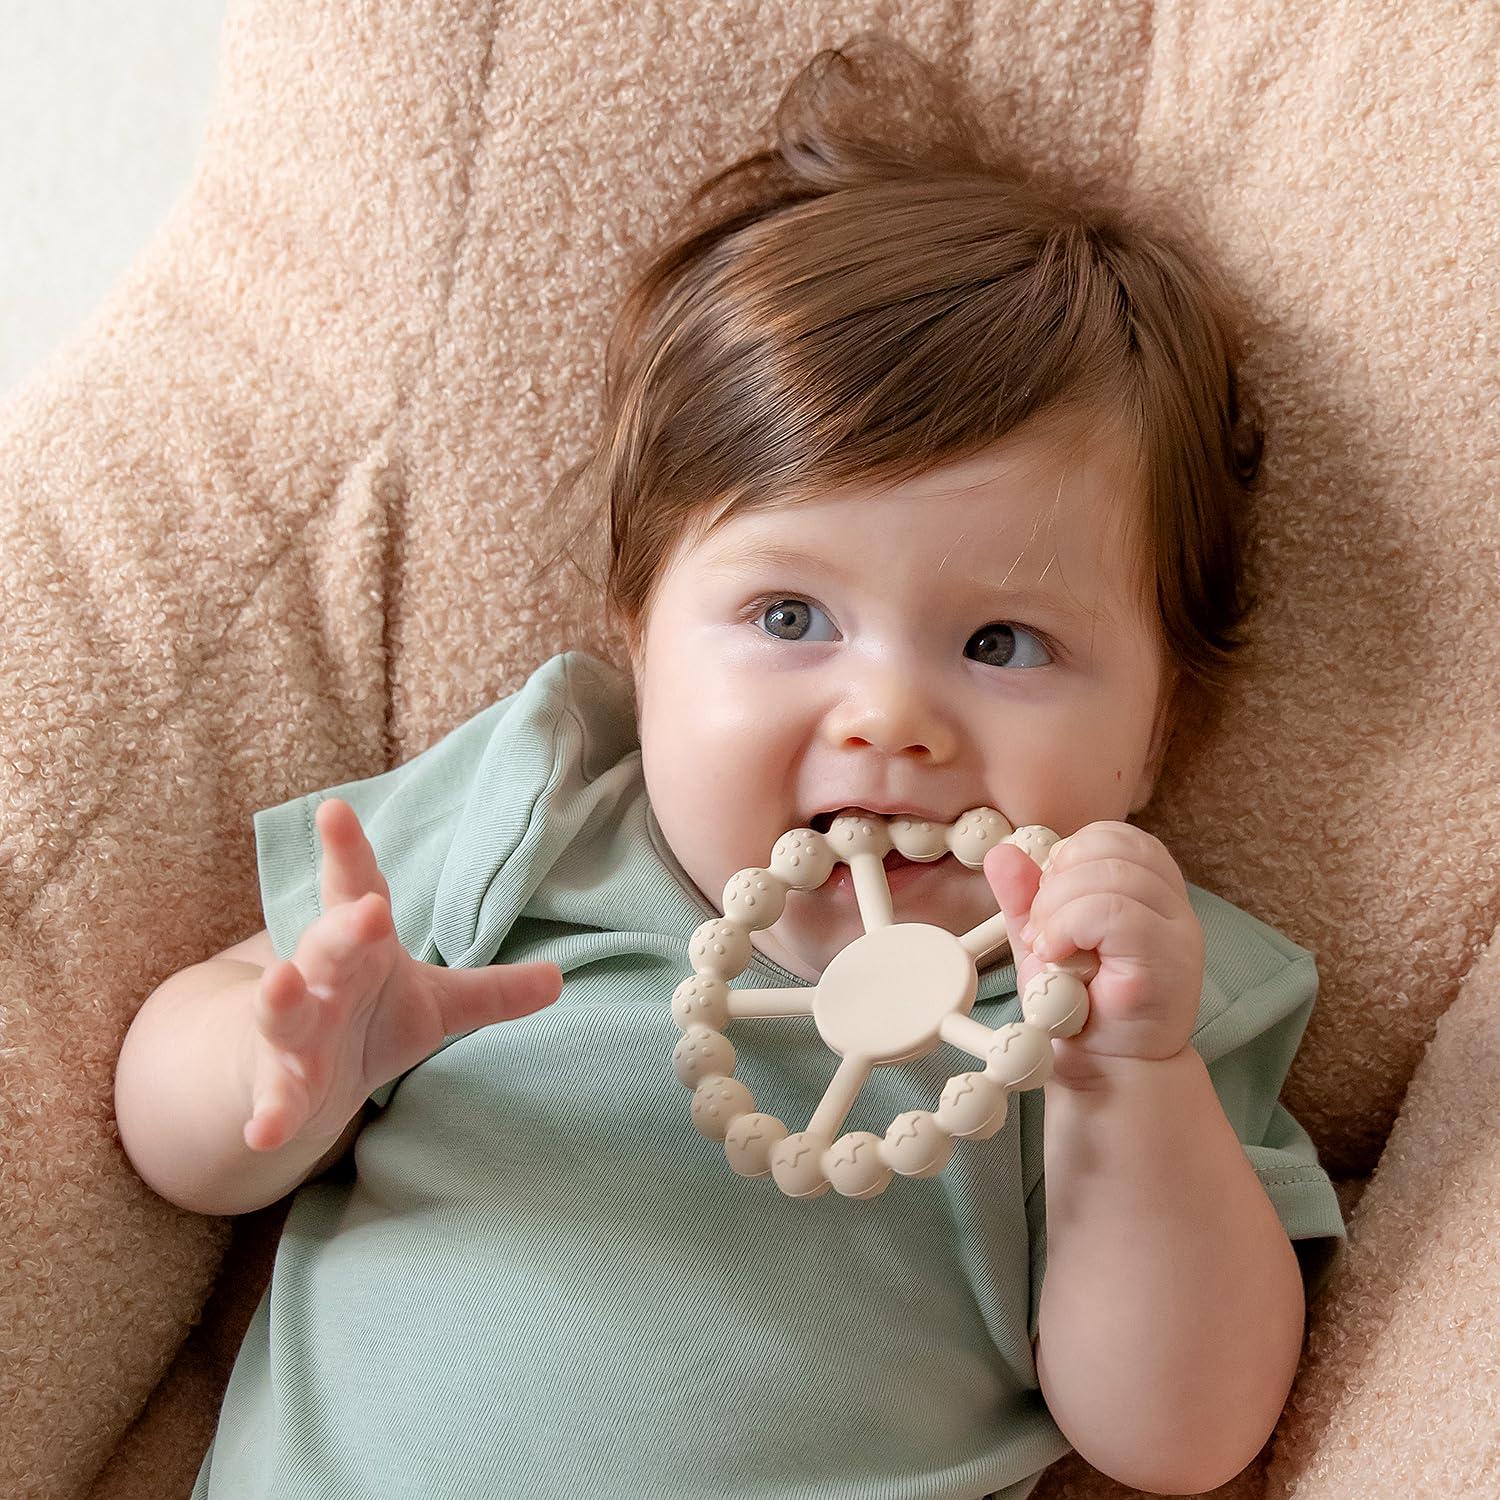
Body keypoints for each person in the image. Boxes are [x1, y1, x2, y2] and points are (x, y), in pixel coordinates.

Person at [113, 33, 1346, 1500]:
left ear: (1158, 734)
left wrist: (1127, 1082)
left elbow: (1182, 1438)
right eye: (788, 617)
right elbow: (175, 1139)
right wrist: (288, 1066)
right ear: (639, 639)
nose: (889, 716)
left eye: (1005, 643)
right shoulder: (548, 814)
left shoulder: (1128, 991)